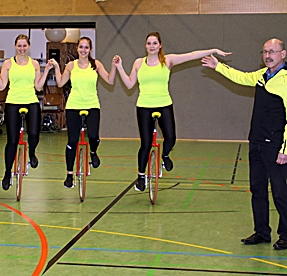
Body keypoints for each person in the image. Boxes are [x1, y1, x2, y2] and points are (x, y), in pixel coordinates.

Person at [114, 31, 231, 192]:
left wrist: (213, 50)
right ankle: (141, 177)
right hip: (144, 106)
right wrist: (119, 67)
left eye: (155, 43)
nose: (152, 46)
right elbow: (129, 84)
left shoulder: (168, 60)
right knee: (145, 144)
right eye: (149, 43)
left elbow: (191, 55)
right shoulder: (139, 63)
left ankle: (165, 155)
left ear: (160, 45)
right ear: (145, 45)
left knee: (170, 137)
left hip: (164, 104)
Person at [202, 38, 287, 250]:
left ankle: (285, 234)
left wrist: (285, 149)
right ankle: (262, 232)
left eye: (272, 52)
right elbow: (241, 77)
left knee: (280, 192)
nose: (268, 56)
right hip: (256, 141)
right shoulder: (261, 76)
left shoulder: (285, 80)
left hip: (276, 145)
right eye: (265, 52)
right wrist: (218, 66)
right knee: (257, 188)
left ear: (283, 54)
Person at [0, 34, 53, 191]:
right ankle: (7, 173)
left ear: (28, 46)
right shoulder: (8, 64)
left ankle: (32, 152)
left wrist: (46, 71)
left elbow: (38, 87)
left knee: (34, 133)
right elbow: (2, 86)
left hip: (31, 101)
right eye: (19, 45)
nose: (22, 48)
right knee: (12, 141)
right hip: (13, 102)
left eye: (24, 45)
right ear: (15, 46)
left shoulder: (34, 64)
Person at [47, 36, 116, 188]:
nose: (83, 50)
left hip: (92, 105)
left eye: (86, 47)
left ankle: (93, 152)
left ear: (90, 49)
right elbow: (60, 83)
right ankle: (69, 174)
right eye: (81, 47)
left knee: (93, 136)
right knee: (72, 141)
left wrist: (114, 66)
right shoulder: (71, 66)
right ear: (77, 49)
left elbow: (110, 81)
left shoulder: (95, 64)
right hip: (74, 105)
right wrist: (57, 68)